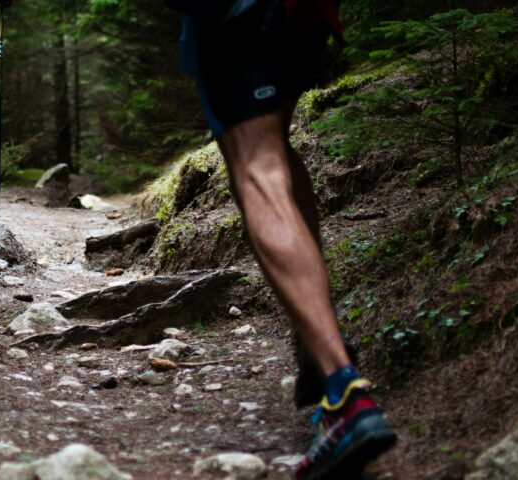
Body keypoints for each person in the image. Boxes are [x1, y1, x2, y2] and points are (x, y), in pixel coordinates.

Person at [168, 0, 396, 478]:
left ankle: (343, 392)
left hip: (237, 11)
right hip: (305, 11)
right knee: (274, 150)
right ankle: (317, 345)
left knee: (257, 169)